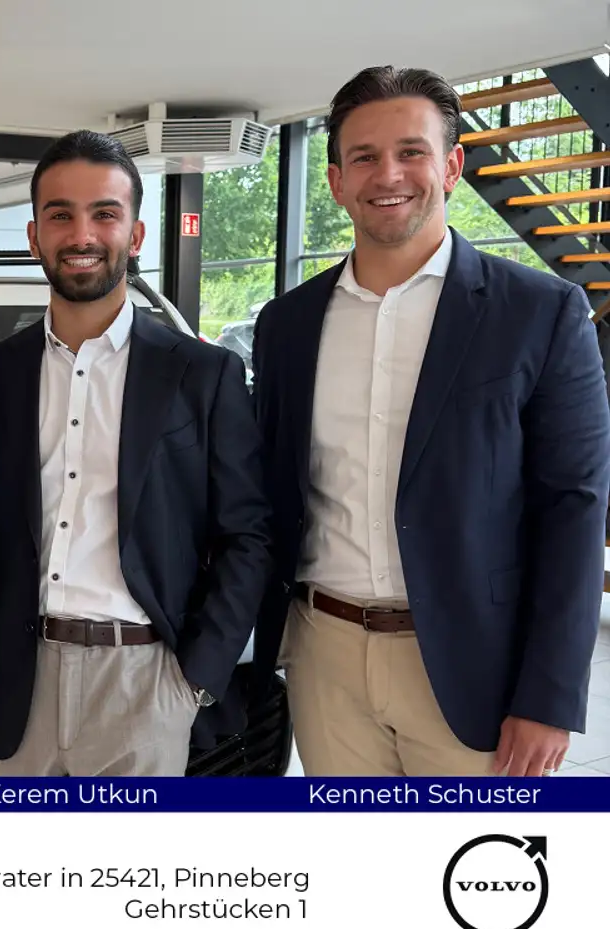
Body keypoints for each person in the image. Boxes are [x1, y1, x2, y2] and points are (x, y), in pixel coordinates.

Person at [251, 65, 610, 777]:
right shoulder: (287, 325)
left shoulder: (539, 313)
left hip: (475, 663)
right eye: (364, 157)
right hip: (325, 656)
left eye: (411, 151)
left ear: (451, 167)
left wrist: (549, 695)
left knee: (467, 849)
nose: (388, 174)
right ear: (337, 181)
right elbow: (270, 490)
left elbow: (574, 507)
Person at [0, 130, 273, 776]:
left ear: (135, 235)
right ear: (35, 236)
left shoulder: (203, 375)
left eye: (104, 214)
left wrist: (193, 680)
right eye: (60, 215)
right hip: (10, 683)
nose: (81, 235)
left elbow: (247, 537)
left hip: (144, 684)